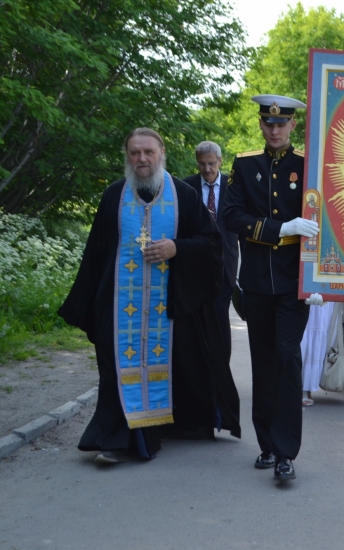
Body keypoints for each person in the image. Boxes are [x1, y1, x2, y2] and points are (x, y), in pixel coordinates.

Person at [58, 128, 241, 464]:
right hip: (120, 309)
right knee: (117, 372)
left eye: (148, 152)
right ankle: (117, 439)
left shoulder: (183, 195)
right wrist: (93, 306)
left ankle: (166, 426)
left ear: (161, 153)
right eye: (134, 153)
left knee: (173, 366)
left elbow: (212, 245)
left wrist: (177, 248)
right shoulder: (113, 197)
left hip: (168, 307)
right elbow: (95, 253)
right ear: (127, 156)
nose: (141, 159)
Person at [222, 95, 320, 482]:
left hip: (295, 283)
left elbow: (329, 216)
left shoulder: (308, 166)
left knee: (286, 358)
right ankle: (265, 443)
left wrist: (321, 279)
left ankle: (286, 452)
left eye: (282, 124)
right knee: (263, 363)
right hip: (258, 283)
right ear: (261, 125)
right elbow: (231, 216)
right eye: (269, 123)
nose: (275, 130)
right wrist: (282, 228)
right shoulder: (245, 165)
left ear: (293, 126)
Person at [183, 141, 239, 360]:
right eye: (202, 164)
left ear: (220, 162)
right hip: (195, 266)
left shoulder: (233, 187)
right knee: (196, 319)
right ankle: (199, 370)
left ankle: (220, 370)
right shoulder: (186, 188)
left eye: (211, 164)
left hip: (225, 265)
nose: (207, 169)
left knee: (219, 318)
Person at [300, 302, 336, 406]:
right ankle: (298, 385)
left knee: (318, 328)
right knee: (302, 332)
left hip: (325, 292)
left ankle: (306, 388)